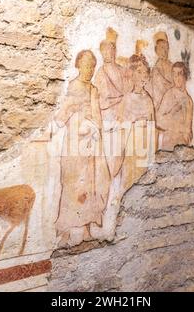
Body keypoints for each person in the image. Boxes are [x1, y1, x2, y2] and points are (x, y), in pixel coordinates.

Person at [54, 50, 110, 247]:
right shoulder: (73, 86)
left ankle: (86, 228)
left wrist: (93, 128)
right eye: (86, 66)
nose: (90, 70)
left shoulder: (94, 90)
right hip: (73, 145)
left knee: (90, 187)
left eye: (92, 67)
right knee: (71, 186)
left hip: (90, 146)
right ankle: (66, 231)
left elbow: (98, 118)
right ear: (78, 65)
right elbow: (63, 115)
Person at [94, 28, 128, 179]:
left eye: (112, 49)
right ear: (102, 53)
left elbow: (127, 92)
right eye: (106, 50)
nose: (109, 52)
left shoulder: (122, 70)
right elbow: (100, 99)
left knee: (122, 152)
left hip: (122, 115)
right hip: (108, 117)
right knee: (110, 153)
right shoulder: (101, 73)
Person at [121, 54, 156, 191]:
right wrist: (134, 122)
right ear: (133, 75)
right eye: (139, 72)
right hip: (132, 149)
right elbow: (122, 127)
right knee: (131, 183)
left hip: (146, 149)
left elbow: (153, 129)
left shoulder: (148, 100)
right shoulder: (127, 99)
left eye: (145, 72)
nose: (143, 76)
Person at [156, 62, 193, 151]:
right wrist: (173, 112)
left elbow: (188, 130)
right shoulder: (169, 94)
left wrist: (185, 134)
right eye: (174, 74)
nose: (176, 77)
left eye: (179, 74)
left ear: (185, 77)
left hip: (181, 145)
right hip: (168, 142)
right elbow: (158, 120)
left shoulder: (188, 101)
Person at [149, 32, 174, 111]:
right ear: (156, 50)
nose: (164, 51)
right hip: (160, 106)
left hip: (173, 104)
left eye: (166, 47)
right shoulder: (155, 70)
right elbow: (155, 93)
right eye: (162, 47)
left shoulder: (173, 67)